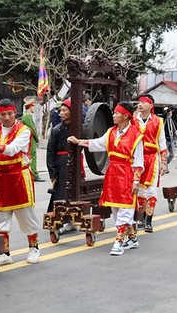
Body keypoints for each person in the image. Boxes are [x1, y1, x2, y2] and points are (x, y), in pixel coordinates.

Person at [69, 102, 143, 256]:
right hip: (113, 173)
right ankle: (132, 238)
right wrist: (79, 142)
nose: (114, 115)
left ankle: (119, 241)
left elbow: (138, 162)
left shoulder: (136, 136)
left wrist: (136, 182)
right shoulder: (111, 132)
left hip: (127, 174)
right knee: (115, 207)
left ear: (125, 116)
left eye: (116, 113)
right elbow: (98, 144)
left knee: (126, 208)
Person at [0, 99, 42, 266]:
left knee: (26, 216)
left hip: (19, 176)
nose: (7, 117)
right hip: (1, 178)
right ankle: (4, 252)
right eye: (3, 114)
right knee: (0, 217)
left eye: (10, 113)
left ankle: (34, 248)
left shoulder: (24, 131)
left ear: (15, 113)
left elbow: (12, 149)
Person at [135, 94, 167, 232]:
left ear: (150, 105)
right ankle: (141, 219)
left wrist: (164, 162)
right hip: (137, 158)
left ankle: (149, 220)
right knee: (139, 190)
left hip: (152, 158)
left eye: (143, 102)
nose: (140, 104)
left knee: (151, 190)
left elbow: (162, 142)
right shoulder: (132, 120)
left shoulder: (158, 121)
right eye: (139, 102)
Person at [46, 100, 72, 213]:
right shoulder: (56, 130)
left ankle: (72, 219)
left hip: (74, 162)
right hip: (61, 163)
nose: (61, 113)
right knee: (60, 192)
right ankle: (60, 217)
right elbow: (50, 152)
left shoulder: (78, 128)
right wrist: (52, 171)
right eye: (60, 110)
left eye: (64, 110)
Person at [21, 97, 44, 182]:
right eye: (33, 106)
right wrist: (37, 138)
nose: (34, 108)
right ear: (30, 107)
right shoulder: (27, 116)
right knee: (33, 156)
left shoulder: (27, 116)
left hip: (29, 139)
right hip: (30, 139)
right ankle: (34, 174)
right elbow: (32, 129)